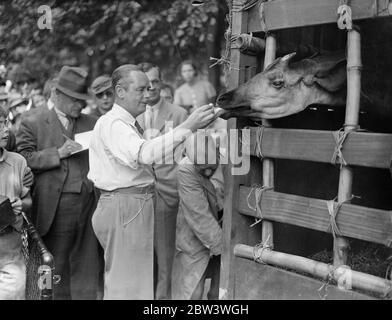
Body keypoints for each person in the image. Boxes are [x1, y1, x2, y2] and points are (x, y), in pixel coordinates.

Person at [88, 64, 216, 300]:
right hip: (125, 206)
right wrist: (187, 126)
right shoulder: (115, 123)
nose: (147, 95)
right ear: (120, 91)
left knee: (134, 285)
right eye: (140, 90)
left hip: (131, 205)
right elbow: (144, 154)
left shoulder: (123, 122)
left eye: (148, 89)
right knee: (127, 288)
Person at [16, 66, 102, 300]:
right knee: (56, 262)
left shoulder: (93, 123)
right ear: (57, 95)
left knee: (86, 263)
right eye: (75, 100)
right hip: (54, 207)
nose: (80, 106)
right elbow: (23, 158)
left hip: (89, 205)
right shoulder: (32, 121)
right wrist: (58, 153)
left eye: (82, 100)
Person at [137, 62, 188, 300]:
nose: (150, 88)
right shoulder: (132, 116)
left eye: (155, 82)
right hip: (137, 197)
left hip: (168, 194)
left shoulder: (178, 114)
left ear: (161, 82)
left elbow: (188, 157)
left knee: (166, 257)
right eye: (145, 84)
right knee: (141, 256)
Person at [172, 132, 224, 300]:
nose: (208, 170)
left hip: (225, 226)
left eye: (212, 165)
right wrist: (223, 247)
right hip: (194, 231)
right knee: (192, 290)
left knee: (220, 290)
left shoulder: (228, 160)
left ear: (217, 151)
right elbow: (198, 214)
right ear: (189, 156)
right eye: (202, 167)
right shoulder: (185, 169)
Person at [0, 106, 33, 300]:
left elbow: (28, 200)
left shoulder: (18, 162)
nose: (6, 130)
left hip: (10, 251)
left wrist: (23, 204)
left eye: (6, 123)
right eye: (0, 125)